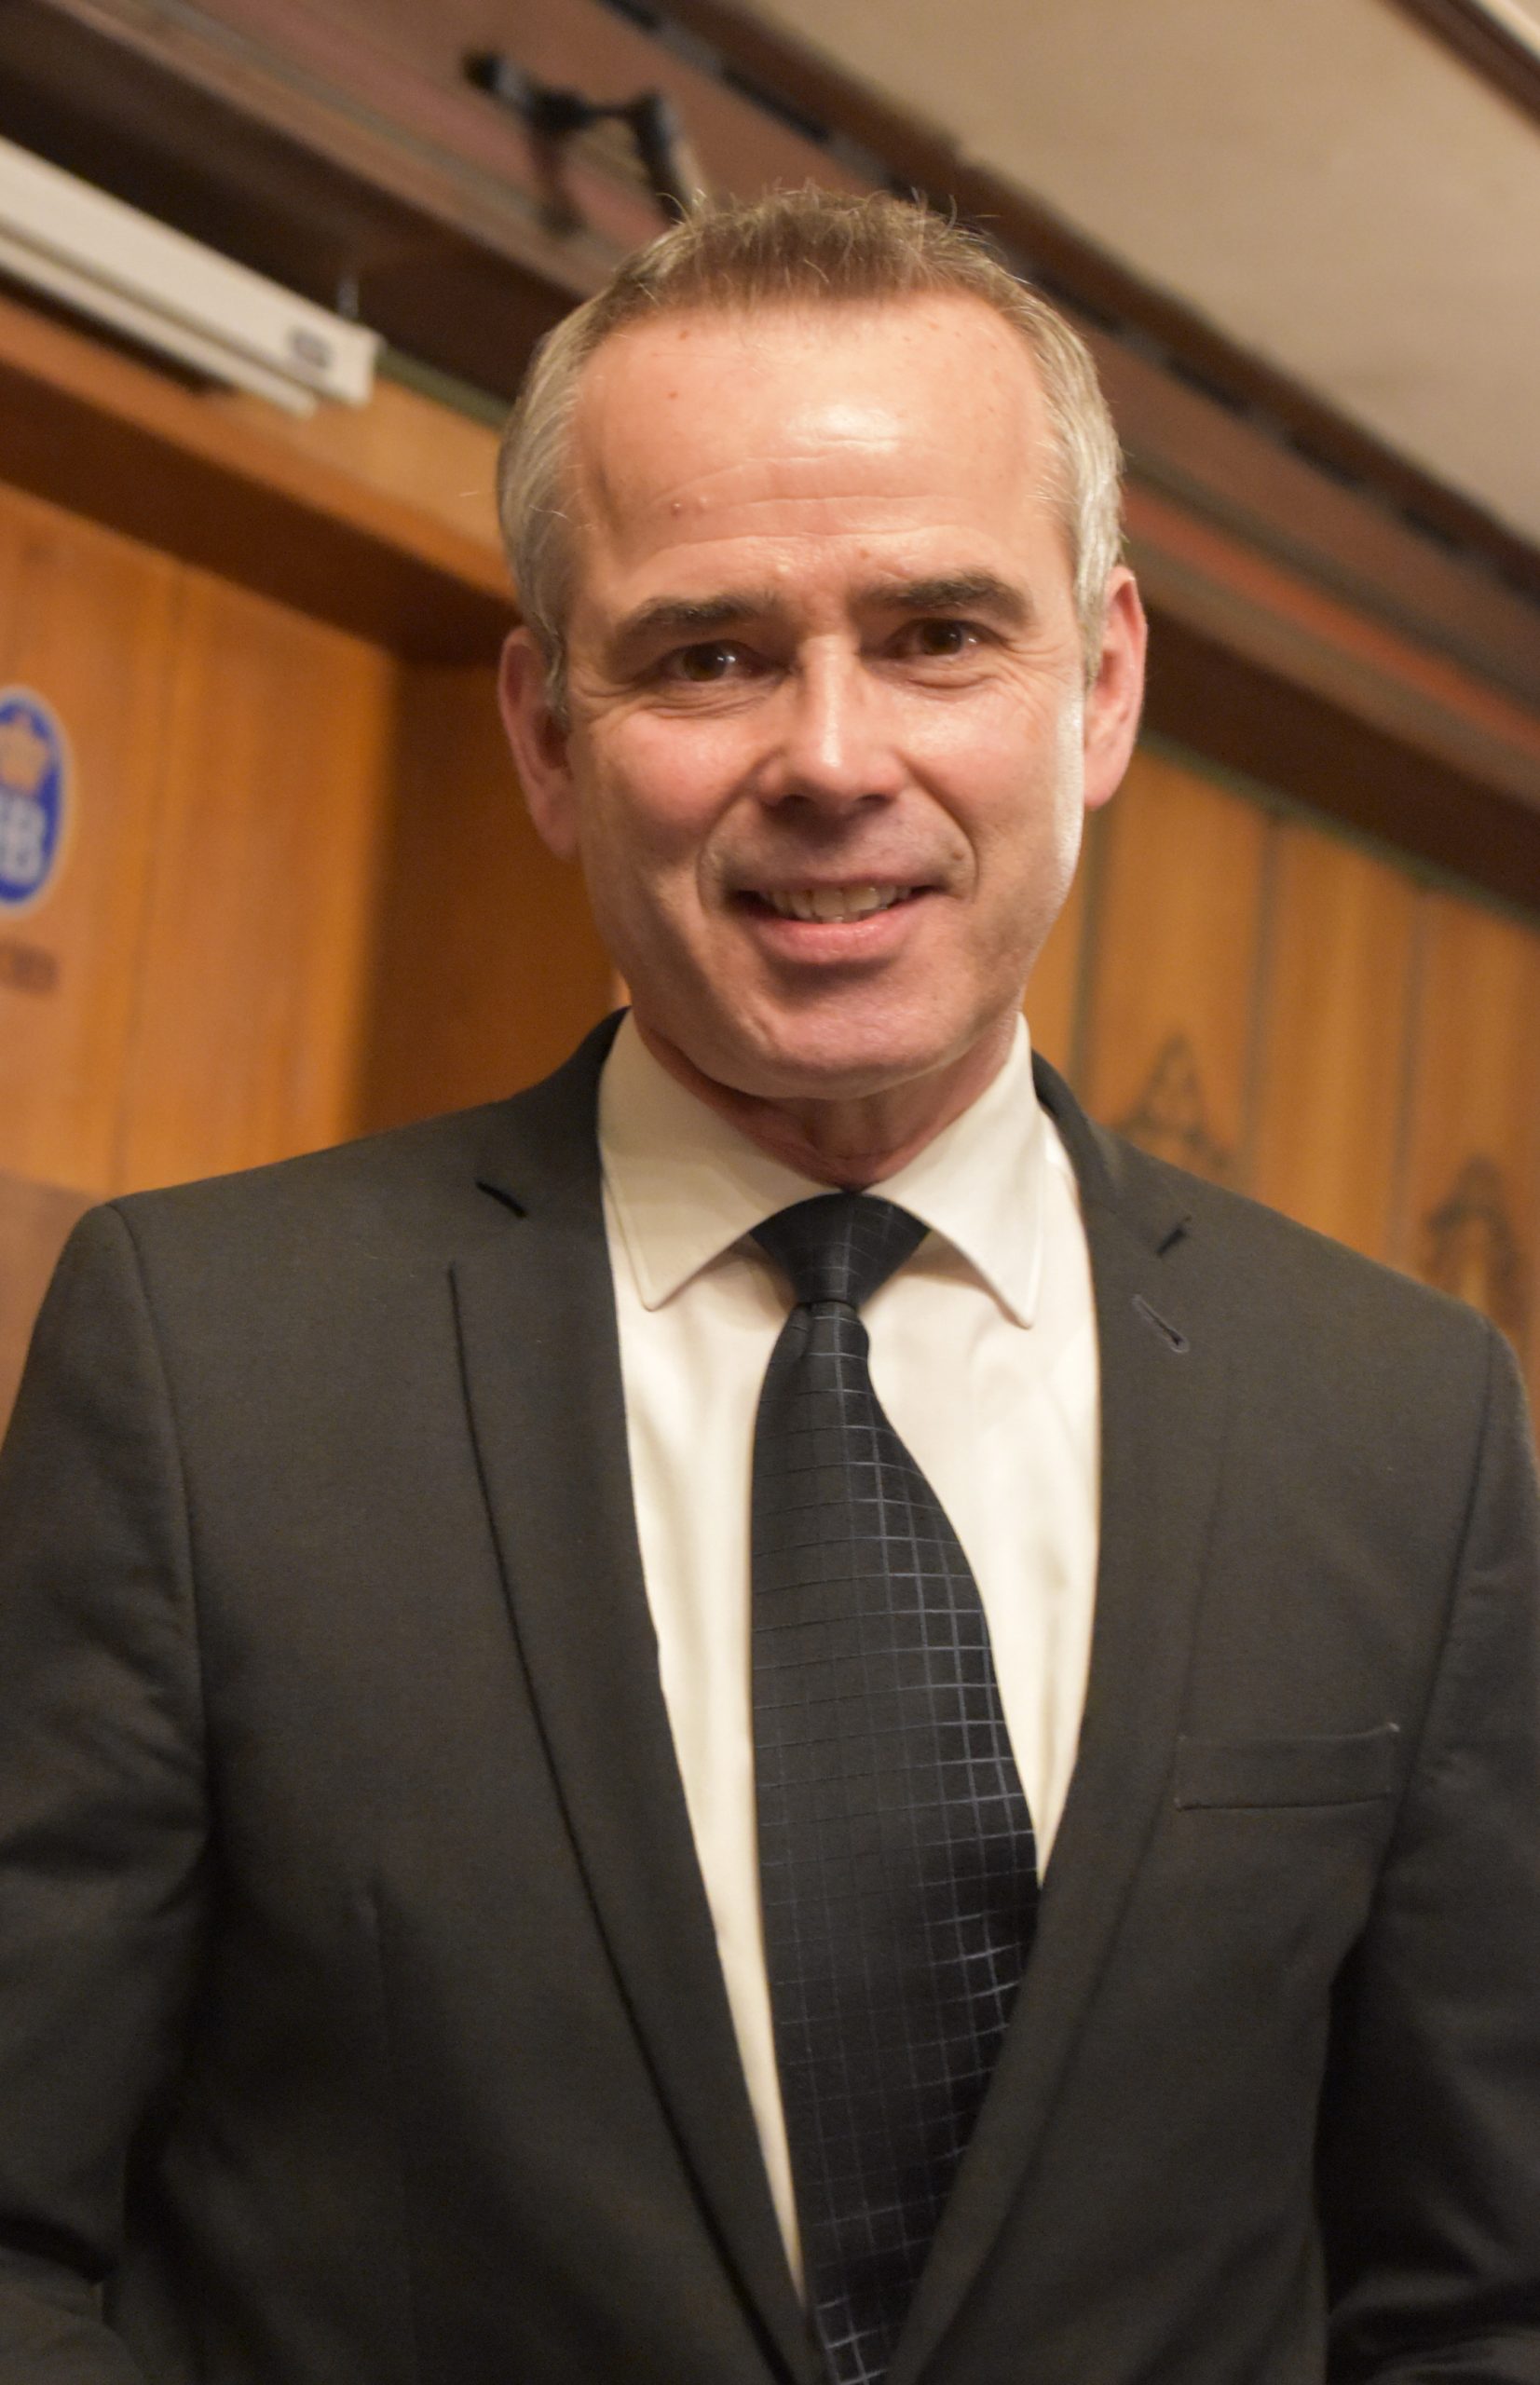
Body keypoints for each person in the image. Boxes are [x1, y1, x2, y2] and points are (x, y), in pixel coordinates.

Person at [0, 189, 1536, 2385]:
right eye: (706, 654)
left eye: (936, 633)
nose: (829, 756)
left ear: (1099, 683)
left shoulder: (1398, 1426)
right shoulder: (210, 1365)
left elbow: (1470, 2297)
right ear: (547, 734)